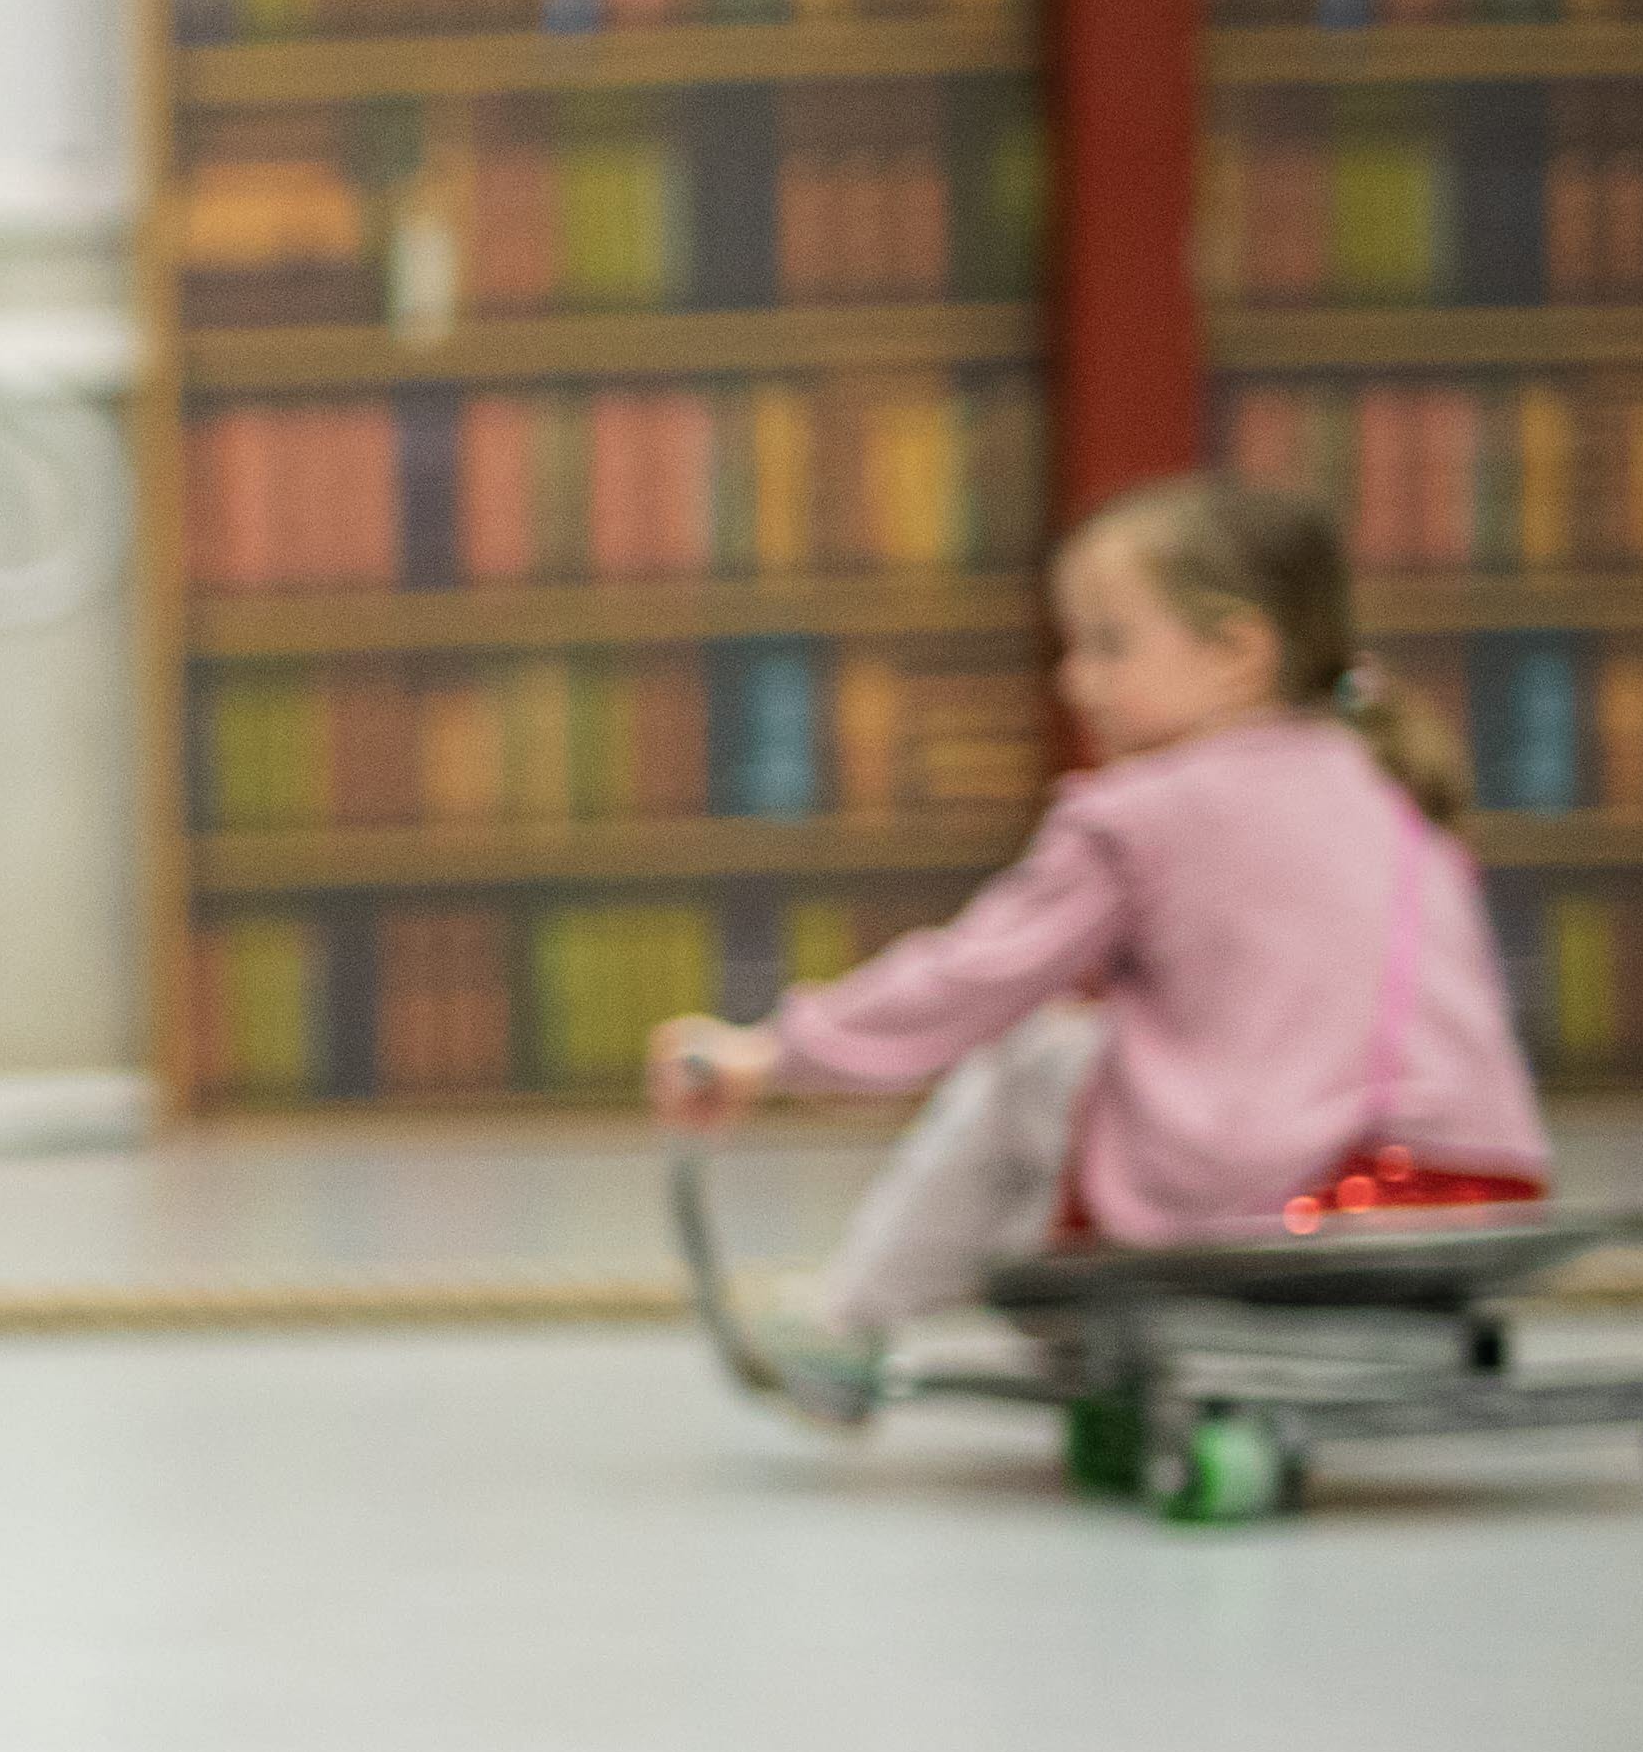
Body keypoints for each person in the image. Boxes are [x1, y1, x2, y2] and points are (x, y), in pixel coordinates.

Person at [648, 470, 1539, 1416]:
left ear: (1237, 652)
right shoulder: (1395, 788)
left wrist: (778, 1052)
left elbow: (972, 978)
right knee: (1123, 1069)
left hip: (1287, 1185)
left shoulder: (1138, 814)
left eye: (1110, 646)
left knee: (1029, 1060)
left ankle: (846, 1319)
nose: (1075, 681)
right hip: (1475, 1182)